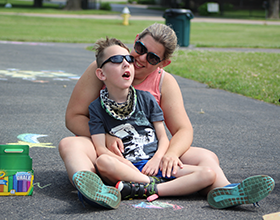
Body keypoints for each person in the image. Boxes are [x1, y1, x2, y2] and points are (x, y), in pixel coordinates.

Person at [59, 23, 274, 209]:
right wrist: (105, 138)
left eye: (152, 57)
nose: (140, 58)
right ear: (136, 40)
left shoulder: (164, 82)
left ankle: (225, 192)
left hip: (150, 153)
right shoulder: (108, 65)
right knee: (70, 145)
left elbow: (183, 130)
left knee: (207, 157)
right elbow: (74, 116)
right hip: (111, 149)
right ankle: (91, 189)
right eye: (140, 48)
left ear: (163, 63)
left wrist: (168, 155)